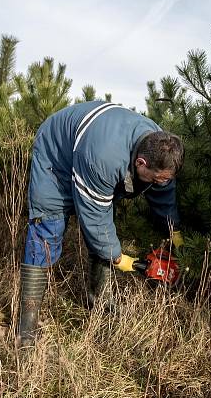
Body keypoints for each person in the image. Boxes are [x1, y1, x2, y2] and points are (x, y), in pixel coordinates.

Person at [19, 100, 185, 347]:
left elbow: (163, 191)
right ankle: (27, 329)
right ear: (141, 163)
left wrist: (175, 232)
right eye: (157, 179)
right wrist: (119, 258)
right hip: (56, 156)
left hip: (93, 148)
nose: (161, 182)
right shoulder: (103, 157)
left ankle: (100, 303)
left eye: (165, 179)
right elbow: (96, 218)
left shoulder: (160, 148)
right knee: (48, 229)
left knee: (106, 232)